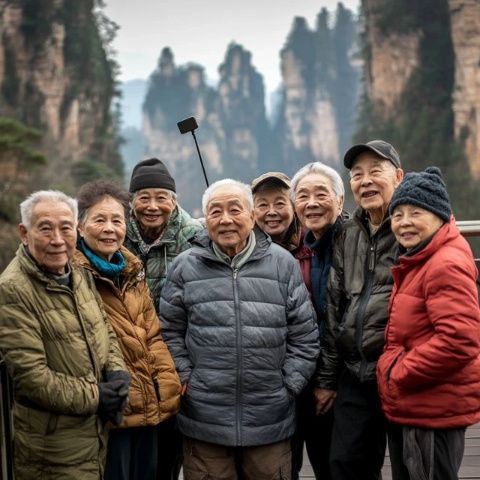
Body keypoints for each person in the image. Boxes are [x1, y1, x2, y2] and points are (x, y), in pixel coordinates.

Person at [159, 179, 320, 480]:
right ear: (205, 219)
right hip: (203, 417)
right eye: (215, 211)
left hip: (269, 417)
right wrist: (186, 378)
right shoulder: (184, 266)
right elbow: (169, 331)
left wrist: (288, 385)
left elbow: (305, 335)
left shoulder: (282, 264)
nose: (226, 219)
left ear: (251, 215)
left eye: (235, 209)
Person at [0, 190, 128, 480]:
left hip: (93, 436)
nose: (57, 239)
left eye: (65, 228)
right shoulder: (12, 289)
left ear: (77, 231)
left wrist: (118, 373)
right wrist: (98, 396)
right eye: (45, 228)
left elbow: (104, 329)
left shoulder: (79, 274)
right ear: (24, 233)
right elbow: (32, 378)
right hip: (52, 449)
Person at [376, 167, 480, 480]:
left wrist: (398, 372)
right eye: (398, 214)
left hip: (432, 408)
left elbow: (459, 341)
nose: (404, 222)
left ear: (440, 215)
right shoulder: (420, 257)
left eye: (416, 212)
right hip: (422, 403)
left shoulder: (443, 263)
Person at [74, 180, 182, 480]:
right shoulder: (74, 274)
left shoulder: (131, 271)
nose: (110, 228)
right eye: (99, 219)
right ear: (80, 228)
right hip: (112, 410)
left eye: (117, 220)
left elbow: (152, 336)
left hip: (148, 409)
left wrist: (167, 387)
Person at [315, 140, 404, 480]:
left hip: (399, 370)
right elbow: (335, 310)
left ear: (398, 176)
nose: (365, 181)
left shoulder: (412, 227)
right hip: (355, 372)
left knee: (410, 467)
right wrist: (327, 380)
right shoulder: (348, 233)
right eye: (356, 174)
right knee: (346, 467)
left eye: (375, 172)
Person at [124, 157, 202, 479]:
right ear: (132, 202)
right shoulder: (116, 235)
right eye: (144, 197)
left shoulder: (196, 237)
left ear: (174, 200)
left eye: (161, 197)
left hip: (177, 362)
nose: (152, 206)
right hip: (130, 362)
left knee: (169, 454)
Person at [289, 162, 347, 480]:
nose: (312, 202)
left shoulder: (350, 243)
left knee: (340, 465)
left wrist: (327, 380)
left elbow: (340, 321)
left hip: (342, 379)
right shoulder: (306, 245)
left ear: (340, 201)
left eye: (321, 194)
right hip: (310, 376)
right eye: (303, 195)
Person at [251, 171, 301, 251]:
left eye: (279, 203)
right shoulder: (242, 250)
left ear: (294, 207)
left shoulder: (311, 246)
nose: (272, 212)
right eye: (263, 205)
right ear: (252, 212)